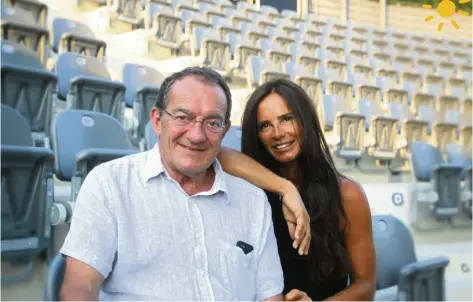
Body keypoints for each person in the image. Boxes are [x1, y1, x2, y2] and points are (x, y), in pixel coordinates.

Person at [59, 67, 311, 301]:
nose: (197, 135)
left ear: (224, 133)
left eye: (212, 123)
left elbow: (269, 296)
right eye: (183, 117)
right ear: (158, 121)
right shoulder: (109, 185)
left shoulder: (253, 201)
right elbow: (80, 287)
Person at [216, 78, 376, 301]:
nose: (277, 133)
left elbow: (366, 286)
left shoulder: (347, 194)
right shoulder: (251, 189)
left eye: (287, 119)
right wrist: (285, 188)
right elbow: (214, 151)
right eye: (265, 125)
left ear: (306, 121)